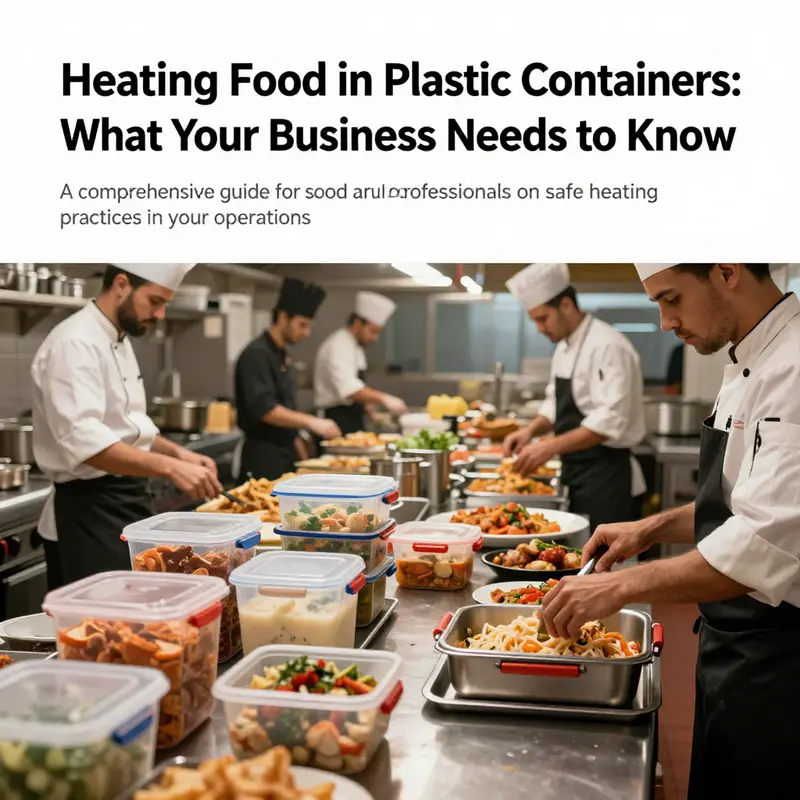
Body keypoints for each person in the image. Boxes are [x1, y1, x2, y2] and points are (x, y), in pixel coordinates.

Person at [541, 264, 800, 798]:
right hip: (732, 648)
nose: (663, 322)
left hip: (782, 663)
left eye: (671, 299)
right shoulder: (748, 356)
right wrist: (651, 527)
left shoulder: (794, 368)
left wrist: (618, 585)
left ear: (726, 272)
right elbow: (737, 504)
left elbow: (763, 543)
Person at [32, 264, 223, 589]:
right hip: (90, 514)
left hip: (126, 503)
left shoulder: (118, 337)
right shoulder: (74, 343)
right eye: (155, 301)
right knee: (100, 631)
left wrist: (179, 454)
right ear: (121, 284)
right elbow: (87, 444)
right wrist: (171, 469)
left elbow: (128, 426)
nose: (161, 314)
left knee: (136, 622)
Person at [503, 263, 647, 530]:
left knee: (605, 567)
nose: (538, 328)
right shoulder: (564, 347)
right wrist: (530, 431)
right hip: (577, 472)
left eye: (542, 318)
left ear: (566, 305)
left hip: (607, 478)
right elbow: (554, 403)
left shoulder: (608, 345)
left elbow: (610, 422)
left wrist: (549, 447)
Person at [235, 277, 340, 480]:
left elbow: (285, 406)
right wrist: (311, 422)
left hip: (284, 452)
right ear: (283, 318)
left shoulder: (281, 353)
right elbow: (264, 410)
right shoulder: (256, 354)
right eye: (302, 325)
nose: (306, 333)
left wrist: (299, 447)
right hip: (263, 457)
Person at [314, 291, 408, 435]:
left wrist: (367, 406)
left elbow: (357, 384)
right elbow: (348, 390)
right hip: (335, 419)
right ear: (358, 323)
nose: (375, 338)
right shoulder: (338, 345)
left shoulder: (355, 346)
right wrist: (385, 399)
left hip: (351, 417)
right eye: (373, 331)